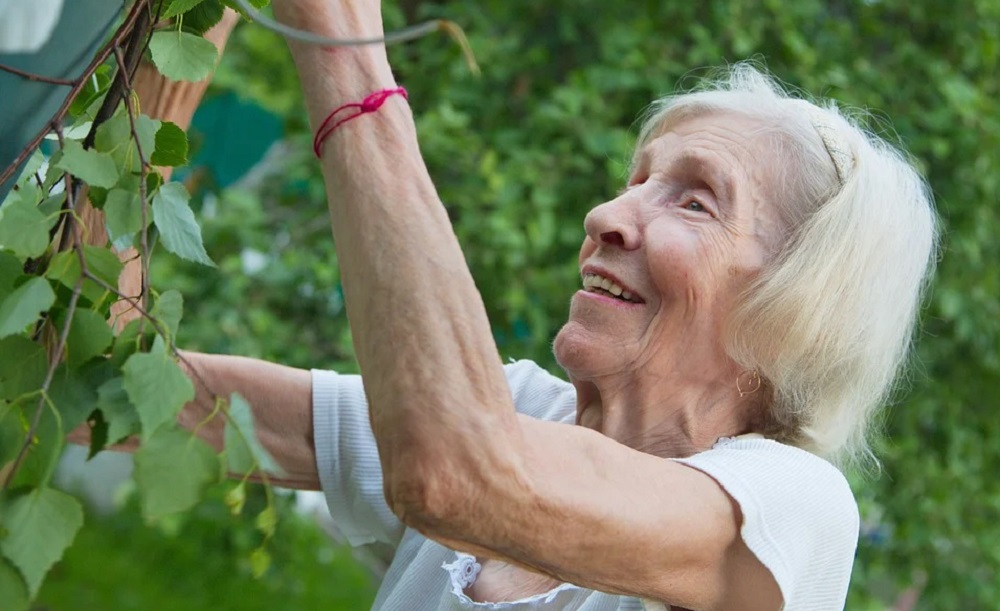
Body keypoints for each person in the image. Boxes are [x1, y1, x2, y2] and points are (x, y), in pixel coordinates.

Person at [161, 1, 939, 609]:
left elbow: (457, 472)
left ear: (799, 301)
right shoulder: (522, 408)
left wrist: (344, 47)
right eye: (636, 179)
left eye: (695, 201)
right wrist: (176, 42)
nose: (608, 214)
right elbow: (138, 392)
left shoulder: (792, 512)